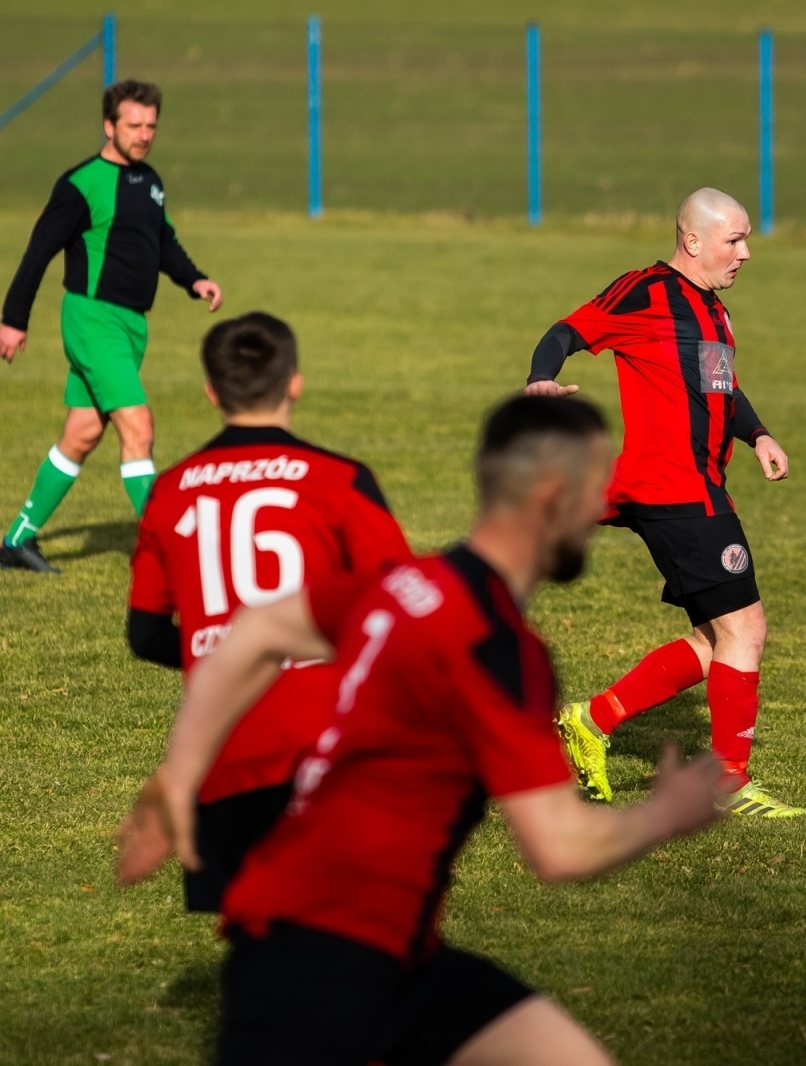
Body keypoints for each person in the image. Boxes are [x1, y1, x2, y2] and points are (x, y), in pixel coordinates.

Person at [116, 394, 726, 1066]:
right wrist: (666, 812)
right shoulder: (493, 644)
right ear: (553, 496)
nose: (601, 506)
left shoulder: (406, 582)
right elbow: (560, 847)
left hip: (391, 954)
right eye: (595, 488)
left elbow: (254, 629)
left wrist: (181, 772)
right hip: (318, 959)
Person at [523, 187, 803, 818]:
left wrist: (757, 434)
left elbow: (720, 390)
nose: (746, 253)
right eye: (734, 240)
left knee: (718, 637)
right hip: (676, 490)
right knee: (747, 630)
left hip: (689, 485)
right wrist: (541, 377)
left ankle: (591, 721)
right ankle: (727, 784)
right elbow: (568, 330)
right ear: (693, 240)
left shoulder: (714, 312)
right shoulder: (646, 292)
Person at [126, 312, 412, 912]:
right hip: (324, 748)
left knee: (254, 940)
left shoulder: (170, 489)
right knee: (341, 934)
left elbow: (146, 632)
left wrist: (220, 655)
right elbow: (401, 607)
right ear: (295, 383)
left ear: (211, 392)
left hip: (222, 754)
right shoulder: (340, 480)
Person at [0, 79, 223, 573]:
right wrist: (13, 320)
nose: (144, 135)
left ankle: (16, 542)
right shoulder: (80, 185)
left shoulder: (150, 181)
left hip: (129, 326)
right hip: (92, 319)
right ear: (108, 126)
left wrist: (195, 280)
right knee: (138, 427)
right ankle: (172, 556)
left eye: (151, 126)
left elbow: (163, 241)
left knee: (81, 433)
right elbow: (38, 251)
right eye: (133, 126)